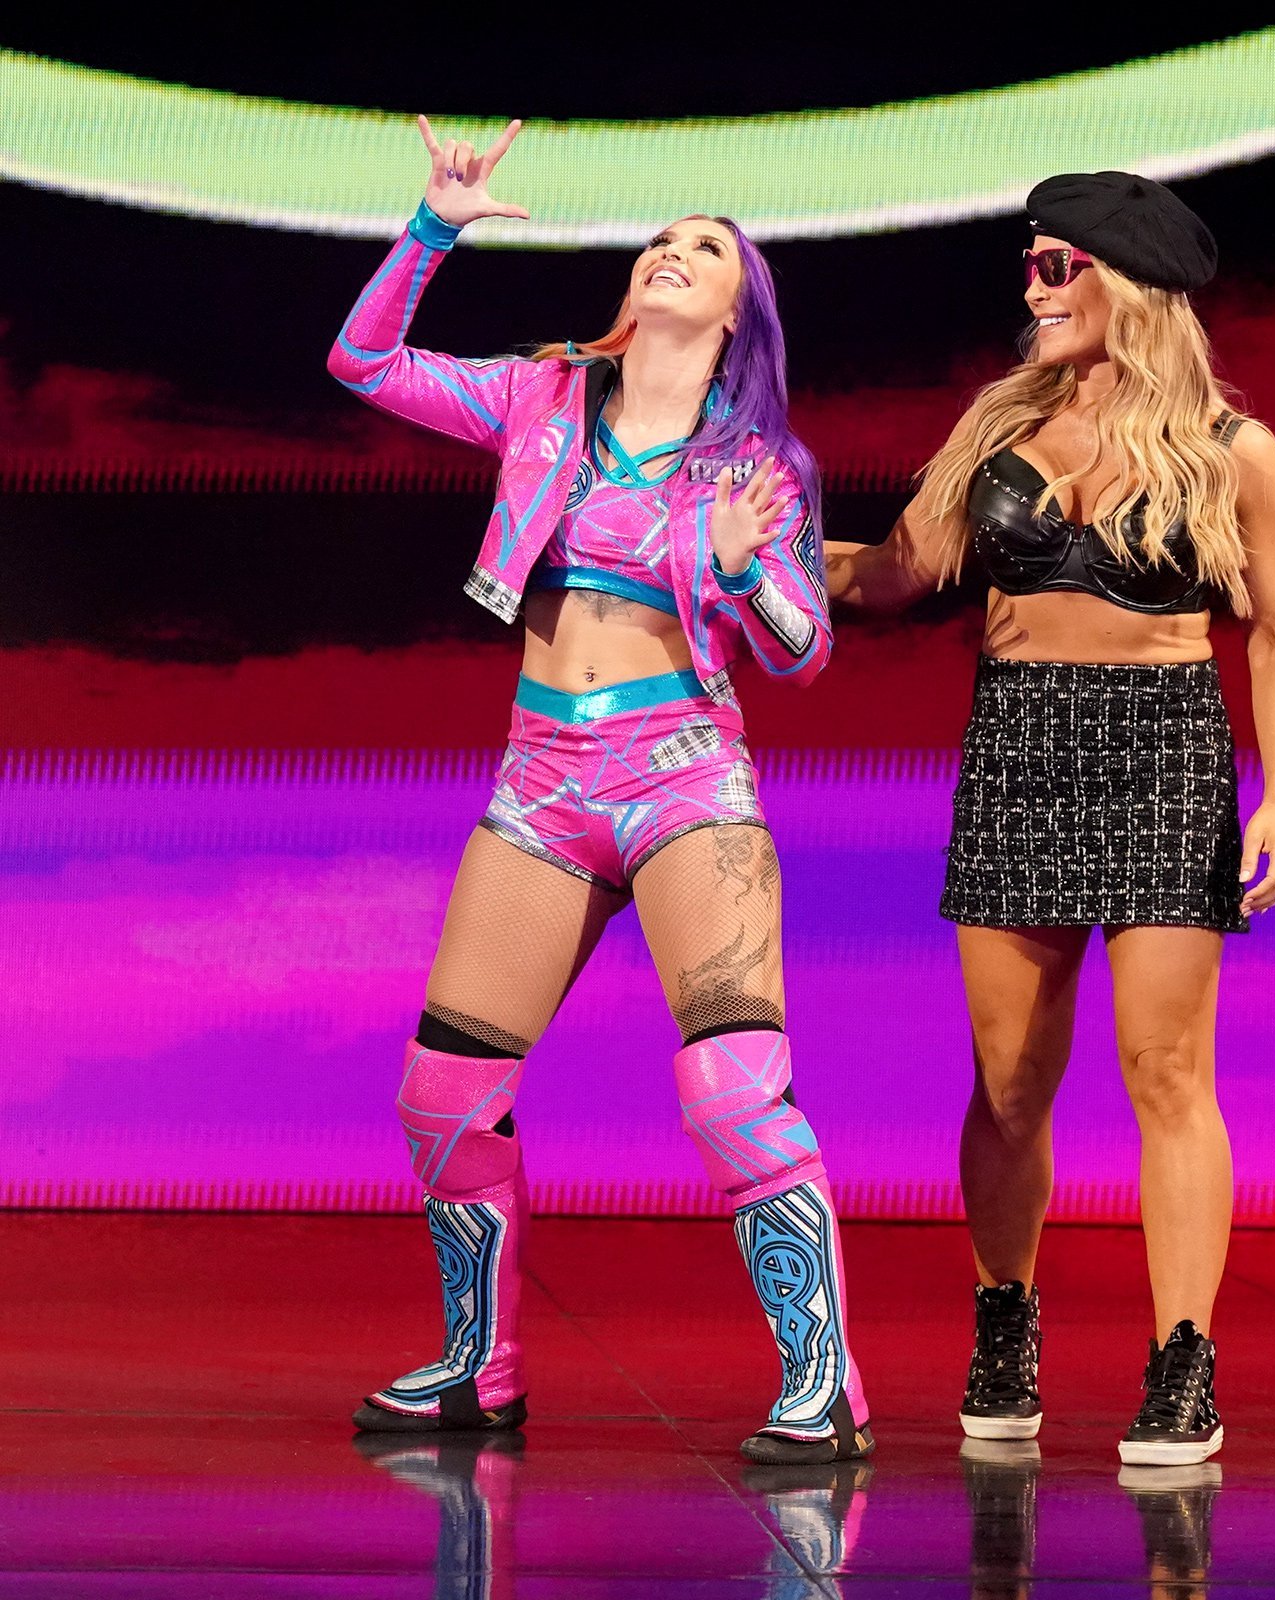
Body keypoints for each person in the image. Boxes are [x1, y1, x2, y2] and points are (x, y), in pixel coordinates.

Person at [327, 116, 871, 1464]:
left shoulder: (756, 468)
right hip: (542, 789)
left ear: (739, 314)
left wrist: (742, 569)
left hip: (686, 787)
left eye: (707, 248)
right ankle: (481, 1368)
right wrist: (434, 230)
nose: (672, 252)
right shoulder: (543, 399)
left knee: (733, 1094)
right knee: (442, 1094)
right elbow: (364, 363)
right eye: (661, 240)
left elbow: (804, 652)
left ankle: (823, 1384)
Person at [826, 172, 1275, 1466]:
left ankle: (1183, 1362)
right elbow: (895, 574)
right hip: (1020, 747)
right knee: (1008, 1082)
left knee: (1168, 1071)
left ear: (1127, 286)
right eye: (1032, 265)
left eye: (1055, 266)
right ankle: (1006, 1319)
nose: (1032, 287)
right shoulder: (999, 428)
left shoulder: (1232, 450)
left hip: (1164, 752)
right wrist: (754, 553)